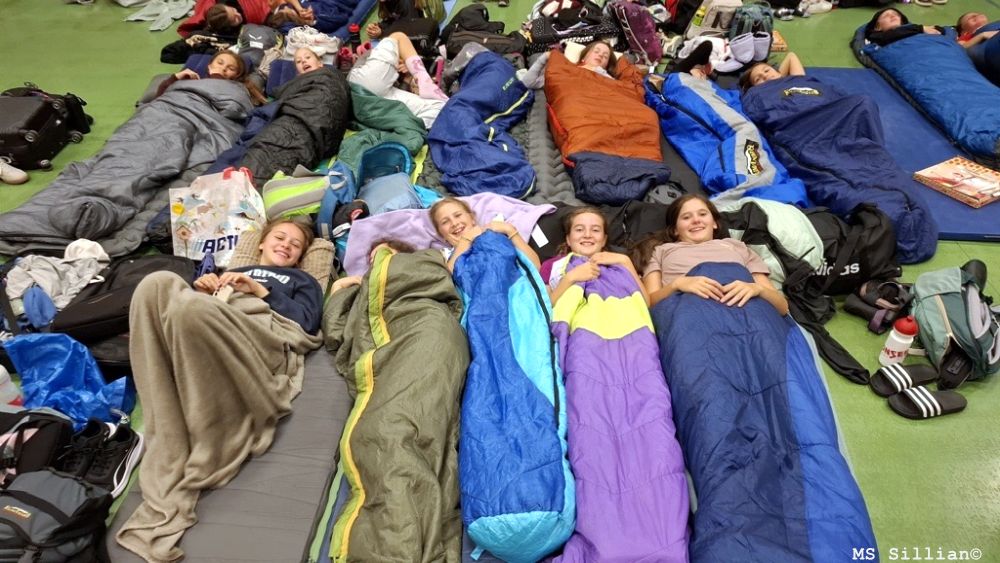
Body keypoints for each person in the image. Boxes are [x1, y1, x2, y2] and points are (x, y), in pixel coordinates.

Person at [117, 216, 324, 561]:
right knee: (157, 282)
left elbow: (306, 323)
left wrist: (259, 290)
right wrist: (205, 289)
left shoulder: (301, 280)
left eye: (295, 245)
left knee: (190, 309)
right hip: (211, 314)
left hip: (259, 332)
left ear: (301, 257)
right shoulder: (233, 269)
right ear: (261, 242)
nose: (286, 245)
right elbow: (184, 304)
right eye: (280, 237)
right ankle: (167, 376)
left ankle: (193, 324)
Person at [633, 194, 788, 314]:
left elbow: (782, 307)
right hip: (690, 316)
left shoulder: (738, 247)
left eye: (702, 214)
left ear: (714, 223)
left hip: (746, 312)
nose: (696, 220)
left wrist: (757, 289)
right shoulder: (660, 251)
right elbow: (649, 303)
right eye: (686, 217)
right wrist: (677, 285)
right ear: (674, 229)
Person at [544, 207, 648, 306]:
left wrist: (625, 261)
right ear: (568, 239)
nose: (587, 235)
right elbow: (543, 310)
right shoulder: (551, 266)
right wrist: (570, 278)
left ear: (604, 240)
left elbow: (646, 304)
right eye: (579, 229)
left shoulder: (619, 263)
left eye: (595, 230)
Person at [348, 31, 448, 128]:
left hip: (366, 106)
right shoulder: (375, 60)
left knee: (442, 107)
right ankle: (425, 82)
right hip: (360, 90)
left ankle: (425, 82)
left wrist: (408, 78)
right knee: (398, 37)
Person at [429, 197, 541, 271]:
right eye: (445, 222)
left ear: (472, 218)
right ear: (441, 234)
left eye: (458, 215)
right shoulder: (445, 256)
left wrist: (511, 231)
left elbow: (536, 267)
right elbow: (451, 280)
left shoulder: (497, 230)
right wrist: (465, 241)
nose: (454, 223)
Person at [155, 50, 267, 105]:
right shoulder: (194, 82)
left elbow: (219, 97)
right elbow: (160, 100)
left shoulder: (238, 91)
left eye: (231, 68)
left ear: (237, 75)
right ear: (209, 66)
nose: (223, 68)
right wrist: (175, 78)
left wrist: (216, 76)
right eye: (220, 63)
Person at [957, 12, 1000, 84]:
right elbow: (959, 49)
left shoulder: (994, 25)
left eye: (977, 14)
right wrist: (982, 35)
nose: (976, 16)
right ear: (964, 32)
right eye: (970, 18)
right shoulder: (966, 38)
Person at [864, 8, 943, 47]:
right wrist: (921, 29)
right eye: (886, 16)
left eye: (896, 15)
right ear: (878, 27)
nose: (892, 16)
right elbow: (891, 35)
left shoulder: (911, 29)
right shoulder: (877, 37)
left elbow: (941, 31)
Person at [738, 51, 805, 90]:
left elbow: (791, 56)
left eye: (766, 70)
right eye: (758, 79)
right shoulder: (756, 95)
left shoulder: (798, 83)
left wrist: (778, 76)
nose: (765, 75)